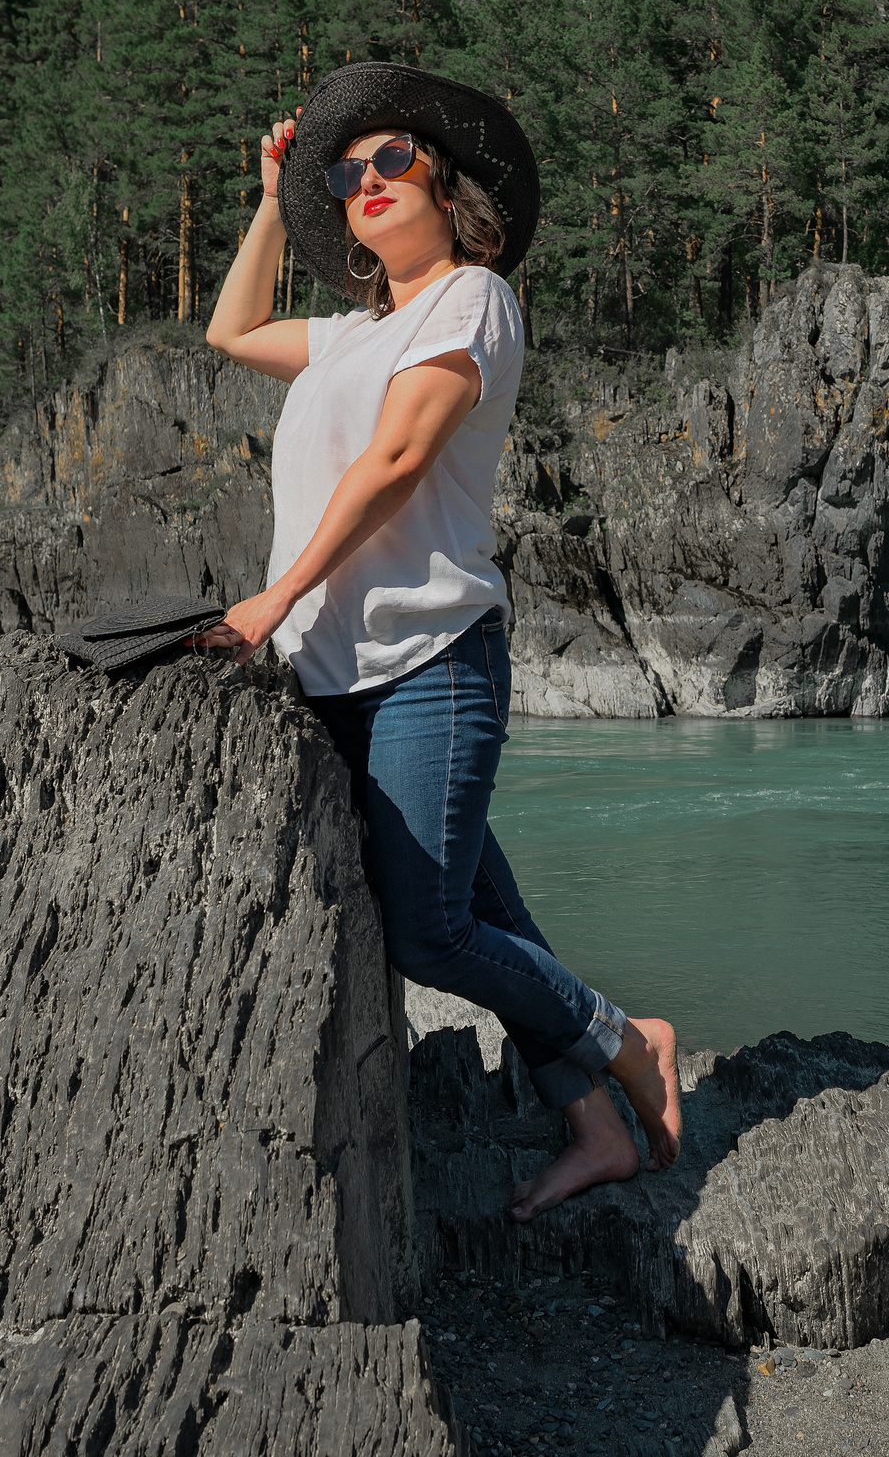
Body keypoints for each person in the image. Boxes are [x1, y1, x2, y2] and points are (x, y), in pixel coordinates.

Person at [196, 63, 681, 1219]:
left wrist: (274, 596)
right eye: (344, 172)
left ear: (445, 183)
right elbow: (231, 328)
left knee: (430, 929)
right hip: (335, 672)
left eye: (390, 160)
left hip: (428, 662)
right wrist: (272, 199)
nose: (364, 181)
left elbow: (401, 461)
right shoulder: (356, 332)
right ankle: (596, 1123)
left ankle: (631, 1040)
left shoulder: (471, 298)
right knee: (491, 914)